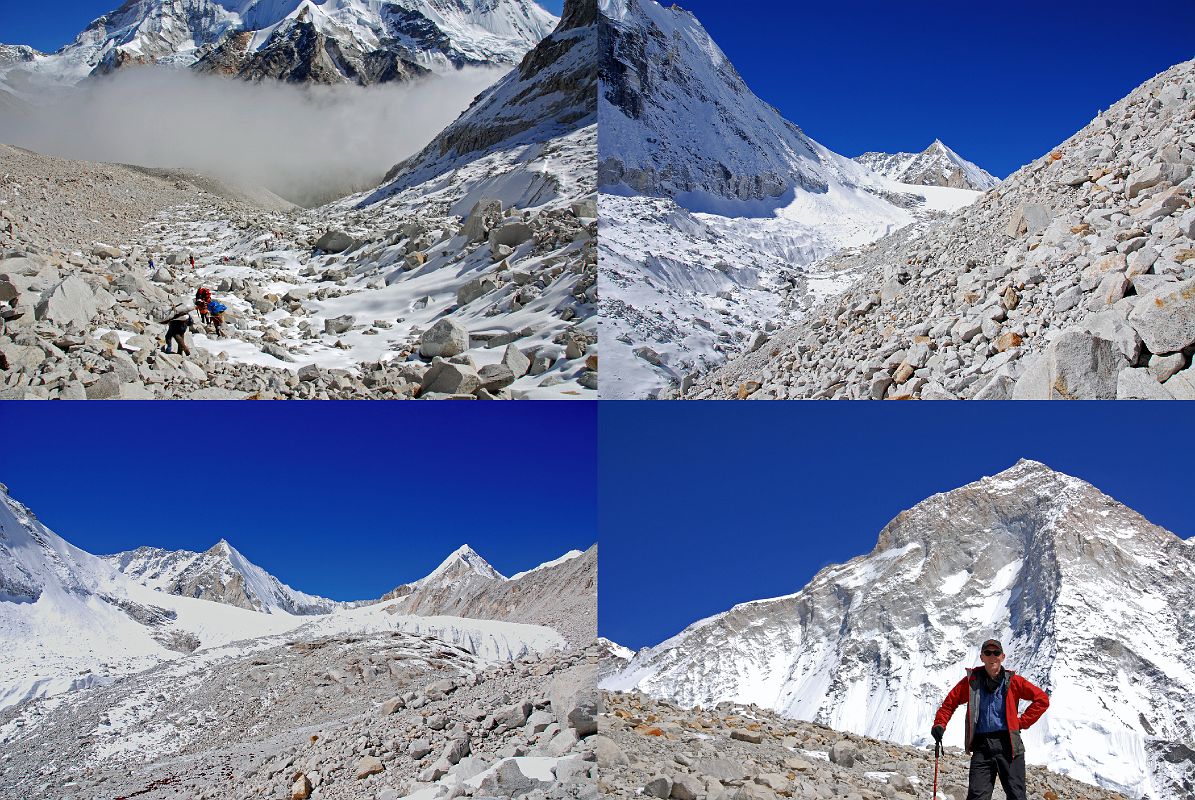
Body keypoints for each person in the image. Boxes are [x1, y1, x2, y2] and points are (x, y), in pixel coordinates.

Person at [932, 639, 1049, 800]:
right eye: (988, 653)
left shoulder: (1013, 681)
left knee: (1016, 795)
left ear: (1002, 656)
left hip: (1010, 744)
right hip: (982, 746)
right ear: (982, 657)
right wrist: (940, 723)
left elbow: (1042, 699)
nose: (992, 656)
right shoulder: (972, 681)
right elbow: (949, 703)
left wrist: (1021, 723)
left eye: (996, 653)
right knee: (977, 796)